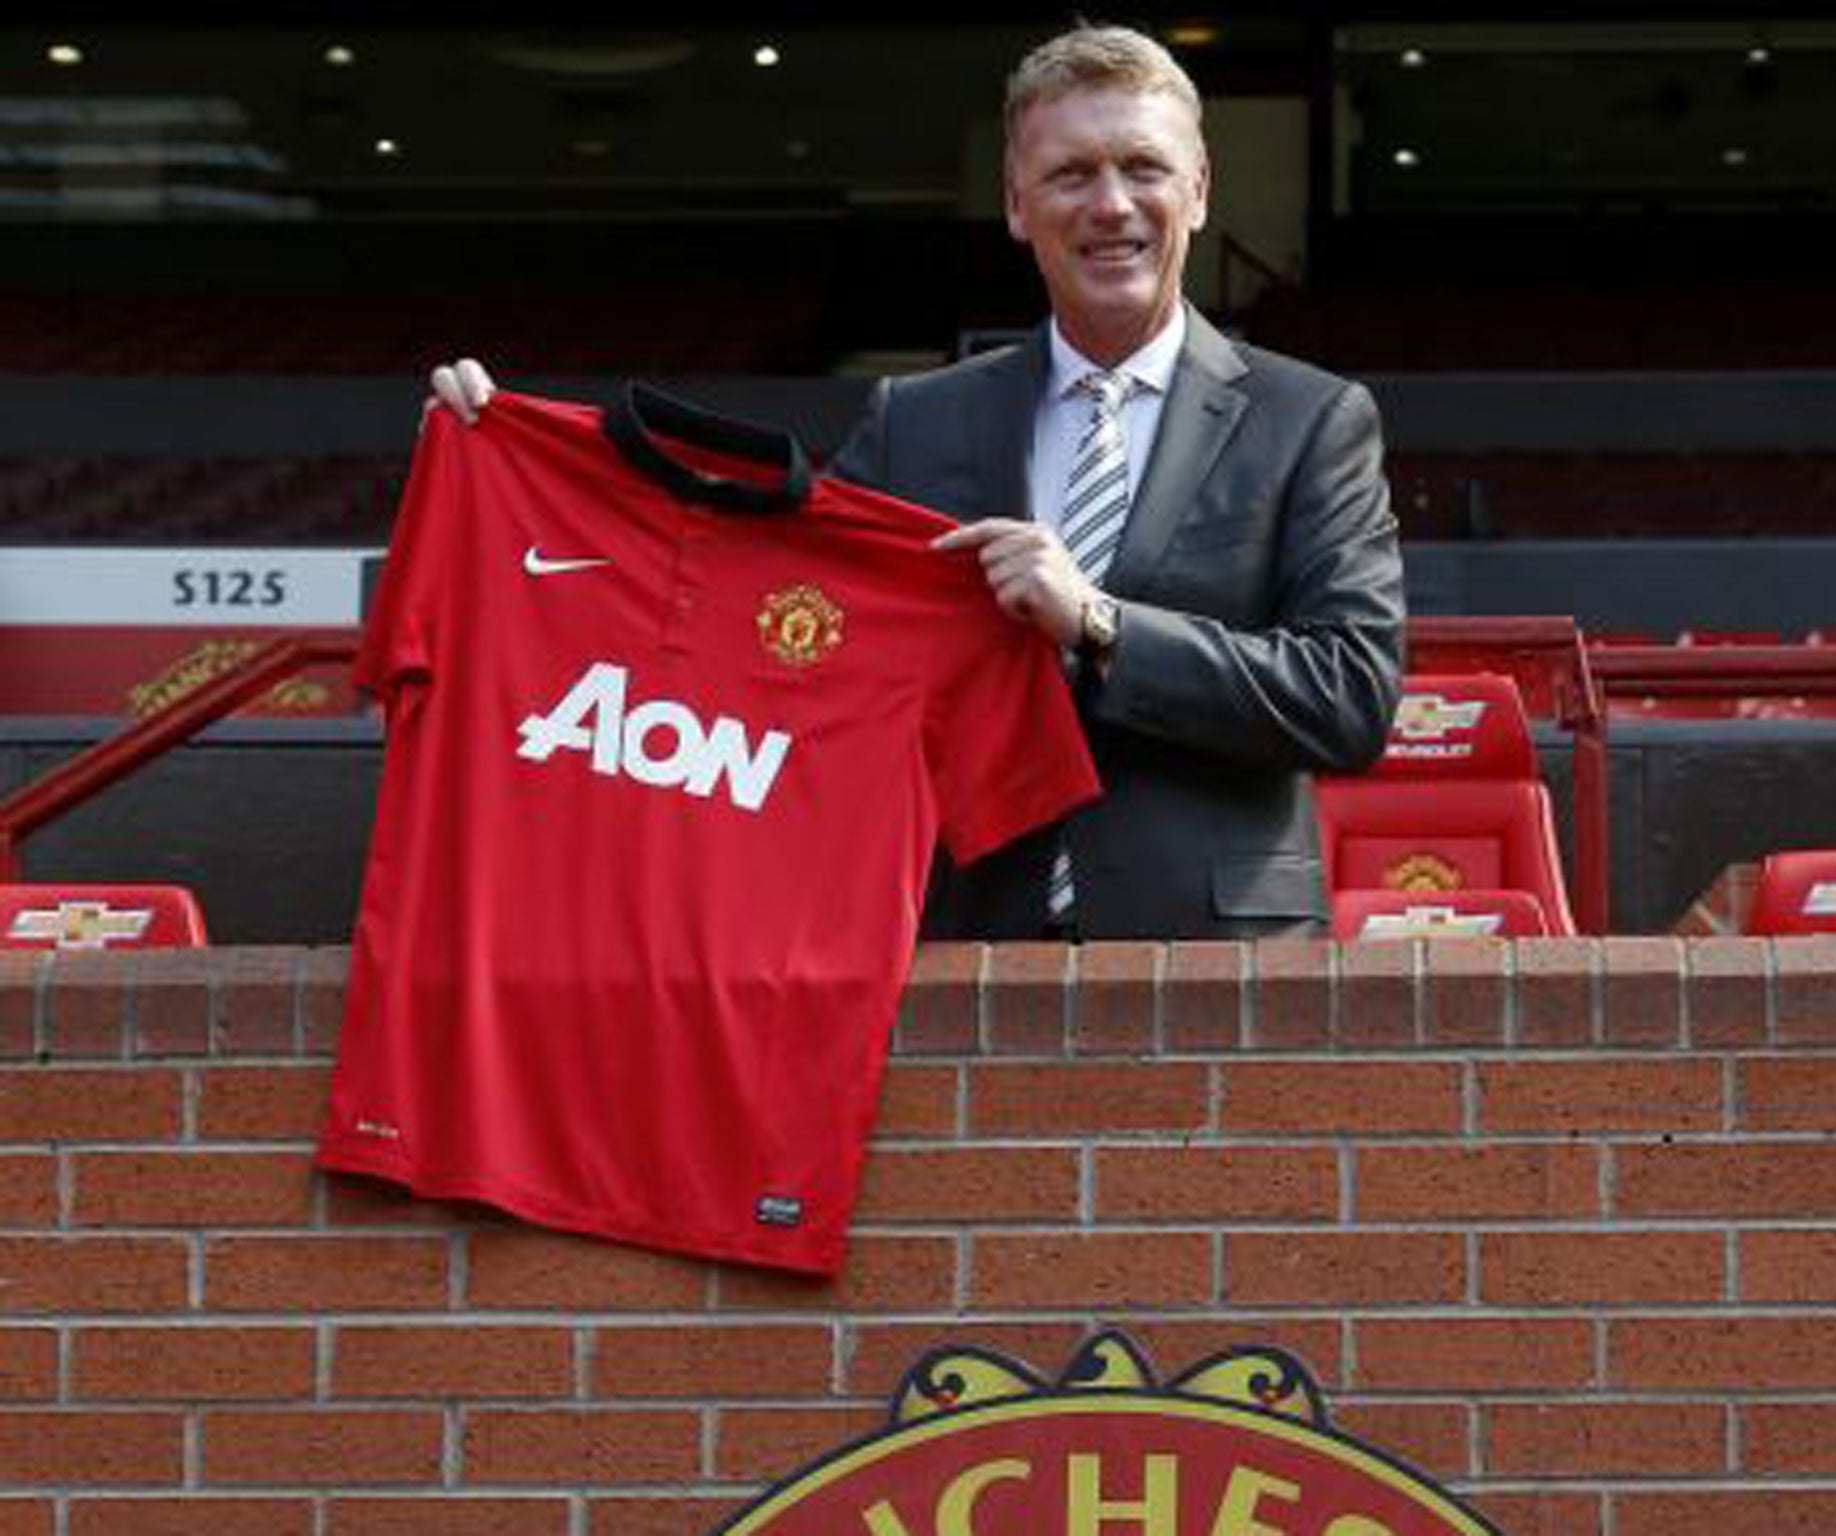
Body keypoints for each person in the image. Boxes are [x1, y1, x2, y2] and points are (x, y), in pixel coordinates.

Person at [427, 23, 1404, 941]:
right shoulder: (916, 420)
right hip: (957, 941)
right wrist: (521, 461)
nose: (1109, 204)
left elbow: (1349, 699)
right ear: (1017, 206)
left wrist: (1099, 623)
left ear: (1195, 189)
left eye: (1142, 167)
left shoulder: (1309, 419)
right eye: (1069, 174)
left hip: (1214, 959)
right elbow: (756, 608)